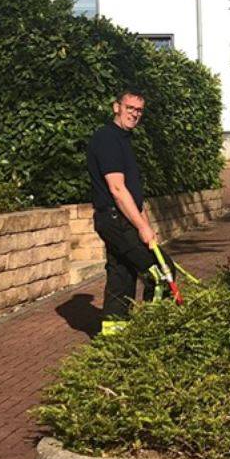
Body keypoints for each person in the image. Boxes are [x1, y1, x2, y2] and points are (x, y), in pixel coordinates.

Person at [86, 88, 164, 334]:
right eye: (129, 108)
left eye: (139, 110)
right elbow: (117, 189)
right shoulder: (107, 139)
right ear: (116, 107)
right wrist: (141, 228)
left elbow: (132, 193)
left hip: (118, 218)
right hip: (114, 218)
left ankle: (115, 339)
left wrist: (146, 225)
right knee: (160, 273)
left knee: (122, 275)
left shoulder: (122, 140)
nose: (134, 114)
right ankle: (153, 333)